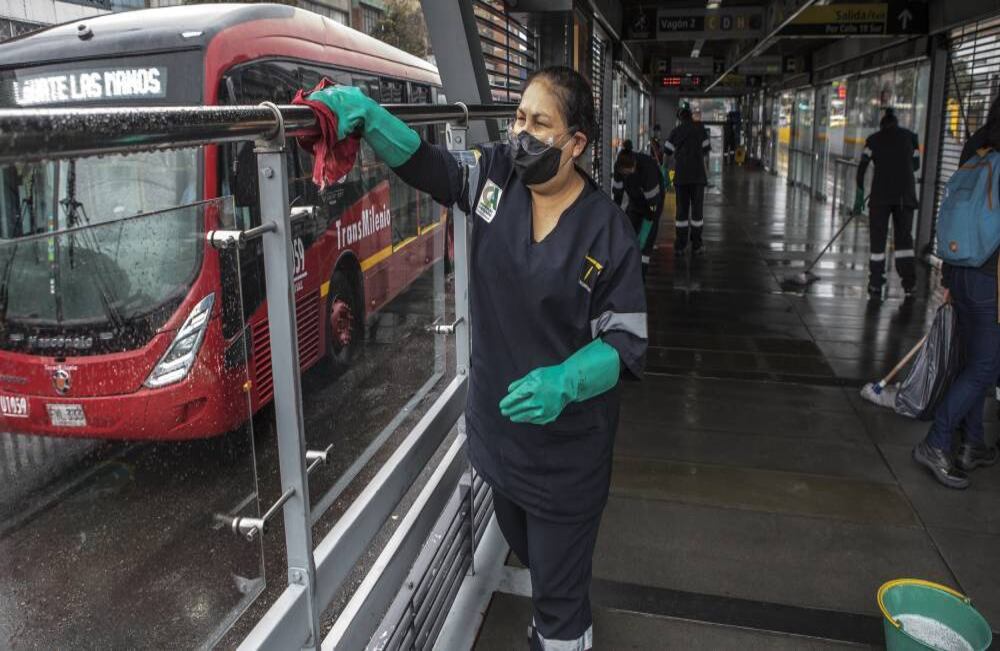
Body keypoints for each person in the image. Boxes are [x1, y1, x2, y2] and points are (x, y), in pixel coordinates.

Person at [304, 66, 648, 650]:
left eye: (540, 123)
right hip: (499, 441)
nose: (521, 134)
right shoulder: (495, 178)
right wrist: (368, 115)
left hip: (566, 459)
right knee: (535, 558)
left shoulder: (607, 232)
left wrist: (567, 380)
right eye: (519, 118)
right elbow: (430, 165)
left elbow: (625, 342)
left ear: (576, 143)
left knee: (560, 600)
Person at [913, 97, 1000, 489]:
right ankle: (938, 442)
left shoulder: (978, 144)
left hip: (961, 270)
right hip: (991, 280)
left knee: (974, 363)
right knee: (984, 367)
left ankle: (973, 443)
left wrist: (948, 277)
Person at [855, 108, 920, 300]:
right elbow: (916, 165)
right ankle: (909, 284)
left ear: (882, 126)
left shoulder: (873, 140)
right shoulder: (911, 138)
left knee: (878, 240)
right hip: (904, 197)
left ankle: (876, 283)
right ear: (896, 123)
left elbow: (862, 167)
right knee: (904, 241)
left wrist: (860, 193)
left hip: (880, 197)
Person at [664, 105, 711, 255]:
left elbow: (667, 152)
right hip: (698, 177)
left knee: (681, 213)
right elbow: (706, 152)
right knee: (697, 213)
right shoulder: (700, 129)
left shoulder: (676, 131)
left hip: (681, 177)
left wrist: (665, 170)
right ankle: (697, 245)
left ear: (680, 118)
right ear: (690, 116)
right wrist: (707, 172)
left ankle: (680, 245)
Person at [612, 140, 662, 279]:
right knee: (629, 234)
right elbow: (618, 194)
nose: (626, 175)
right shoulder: (619, 167)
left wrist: (649, 221)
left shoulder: (647, 168)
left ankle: (640, 277)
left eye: (629, 172)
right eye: (624, 174)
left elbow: (653, 203)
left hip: (654, 202)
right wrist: (616, 215)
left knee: (645, 242)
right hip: (635, 201)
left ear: (634, 165)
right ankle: (626, 272)